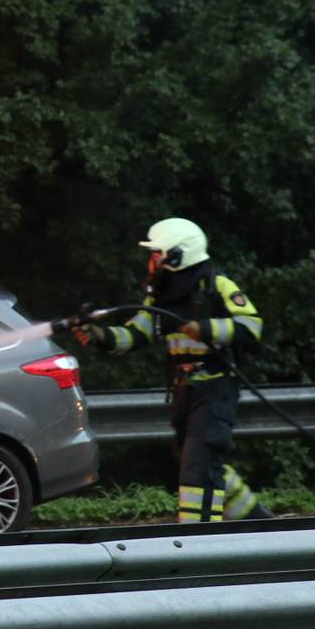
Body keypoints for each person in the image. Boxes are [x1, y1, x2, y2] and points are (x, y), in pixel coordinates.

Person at [74, 217, 271, 522]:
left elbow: (252, 325)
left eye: (157, 254)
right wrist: (100, 337)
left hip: (216, 386)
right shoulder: (160, 296)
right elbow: (135, 334)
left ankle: (198, 538)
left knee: (198, 465)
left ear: (178, 255)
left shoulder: (216, 284)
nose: (152, 261)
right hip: (185, 389)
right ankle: (257, 520)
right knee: (198, 460)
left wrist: (204, 328)